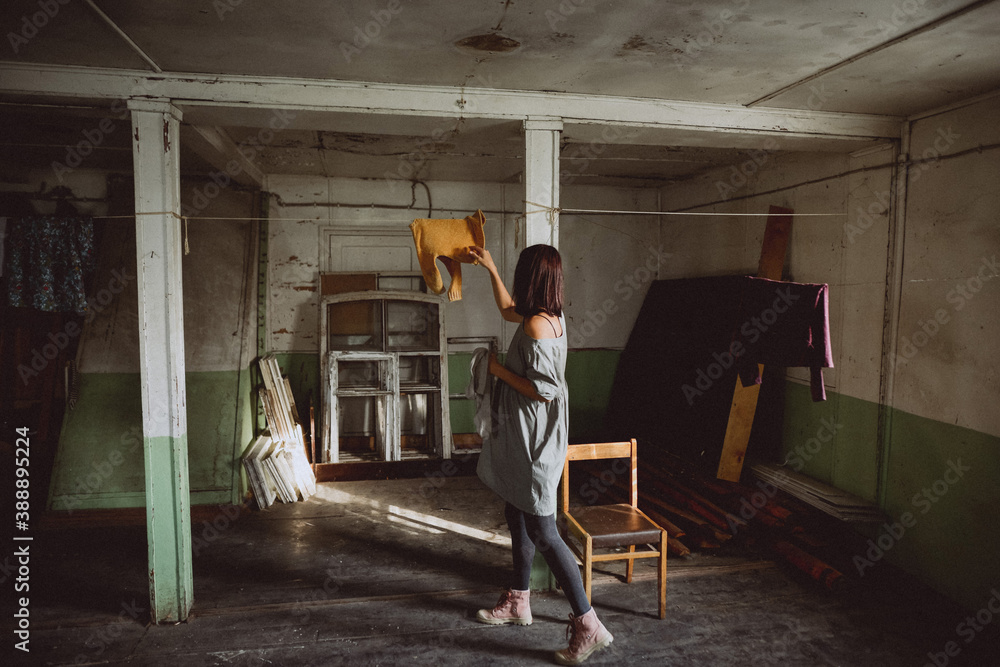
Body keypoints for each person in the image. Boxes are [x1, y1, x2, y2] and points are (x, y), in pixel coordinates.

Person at [467, 243, 613, 666]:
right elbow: (507, 308)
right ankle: (519, 600)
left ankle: (588, 623)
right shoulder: (545, 315)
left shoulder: (537, 326)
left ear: (530, 277)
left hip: (537, 440)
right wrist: (490, 267)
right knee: (516, 511)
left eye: (517, 271)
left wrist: (497, 370)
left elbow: (545, 391)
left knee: (544, 530)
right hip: (526, 434)